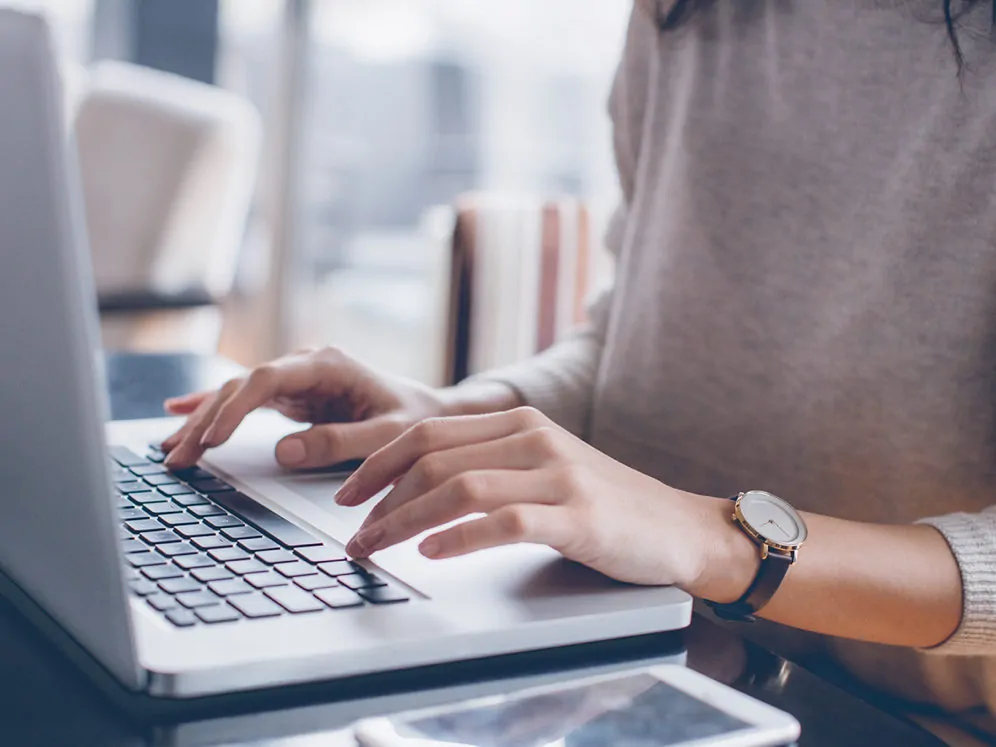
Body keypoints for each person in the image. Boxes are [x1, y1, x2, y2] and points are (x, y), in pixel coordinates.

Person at [164, 1, 996, 742]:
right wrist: (460, 413)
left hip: (892, 718)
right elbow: (629, 335)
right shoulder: (681, 14)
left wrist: (714, 538)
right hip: (635, 655)